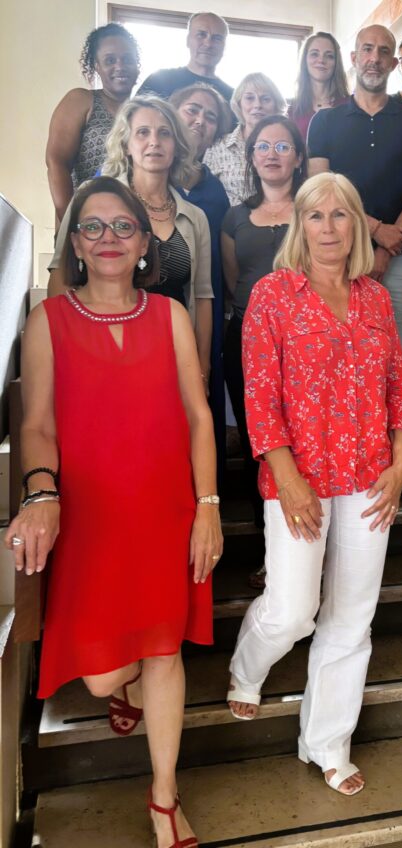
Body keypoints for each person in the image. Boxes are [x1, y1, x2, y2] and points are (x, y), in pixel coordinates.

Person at [6, 176, 223, 847]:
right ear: (74, 242)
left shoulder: (171, 315)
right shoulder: (47, 320)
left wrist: (208, 506)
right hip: (91, 519)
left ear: (143, 243)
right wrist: (42, 493)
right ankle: (123, 690)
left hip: (166, 510)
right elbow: (36, 424)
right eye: (93, 227)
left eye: (123, 226)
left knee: (164, 650)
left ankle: (164, 797)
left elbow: (199, 416)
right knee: (102, 678)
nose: (108, 238)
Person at [226, 172, 402, 797]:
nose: (329, 228)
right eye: (316, 215)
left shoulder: (375, 298)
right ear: (299, 224)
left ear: (357, 225)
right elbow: (260, 395)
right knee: (291, 611)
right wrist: (285, 476)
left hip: (369, 476)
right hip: (299, 476)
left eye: (341, 215)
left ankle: (327, 742)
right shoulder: (273, 293)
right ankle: (246, 667)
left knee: (352, 617)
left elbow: (398, 385)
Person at [308, 24, 402, 509]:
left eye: (385, 51)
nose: (375, 58)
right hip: (336, 263)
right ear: (354, 56)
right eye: (367, 49)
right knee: (337, 365)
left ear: (393, 63)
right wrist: (375, 232)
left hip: (400, 261)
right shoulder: (324, 122)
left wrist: (386, 248)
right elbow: (320, 192)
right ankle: (347, 460)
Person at [48, 97, 214, 383]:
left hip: (172, 356)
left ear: (177, 146)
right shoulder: (90, 198)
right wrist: (63, 350)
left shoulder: (196, 217)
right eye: (142, 132)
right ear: (126, 144)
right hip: (99, 349)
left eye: (164, 133)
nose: (154, 142)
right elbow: (61, 276)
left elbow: (202, 296)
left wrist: (202, 366)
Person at [221, 115, 307, 587]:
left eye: (282, 146)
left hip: (307, 343)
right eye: (262, 147)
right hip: (248, 341)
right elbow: (233, 279)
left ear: (298, 157)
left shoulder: (314, 209)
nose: (272, 154)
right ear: (251, 158)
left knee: (302, 439)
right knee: (263, 443)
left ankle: (309, 540)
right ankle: (271, 547)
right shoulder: (235, 216)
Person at [169, 83, 232, 485]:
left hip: (205, 309)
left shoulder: (215, 189)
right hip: (160, 308)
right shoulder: (151, 175)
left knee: (203, 400)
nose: (200, 121)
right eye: (192, 110)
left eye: (210, 117)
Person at [46, 23, 140, 224]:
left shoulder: (144, 114)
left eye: (127, 59)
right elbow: (57, 162)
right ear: (97, 66)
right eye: (110, 60)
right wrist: (71, 222)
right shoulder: (81, 100)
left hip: (130, 225)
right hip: (85, 222)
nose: (120, 66)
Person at [204, 73, 286, 205]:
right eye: (249, 98)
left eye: (265, 99)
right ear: (239, 104)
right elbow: (204, 194)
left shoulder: (287, 147)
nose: (257, 105)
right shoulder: (218, 146)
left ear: (276, 105)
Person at [138, 11, 233, 104]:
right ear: (188, 40)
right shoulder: (159, 80)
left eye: (217, 38)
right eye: (201, 35)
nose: (208, 44)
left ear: (225, 46)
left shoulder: (232, 97)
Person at [288, 31, 349, 142]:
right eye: (314, 54)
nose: (321, 60)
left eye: (329, 56)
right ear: (304, 60)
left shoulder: (350, 106)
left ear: (336, 63)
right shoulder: (291, 109)